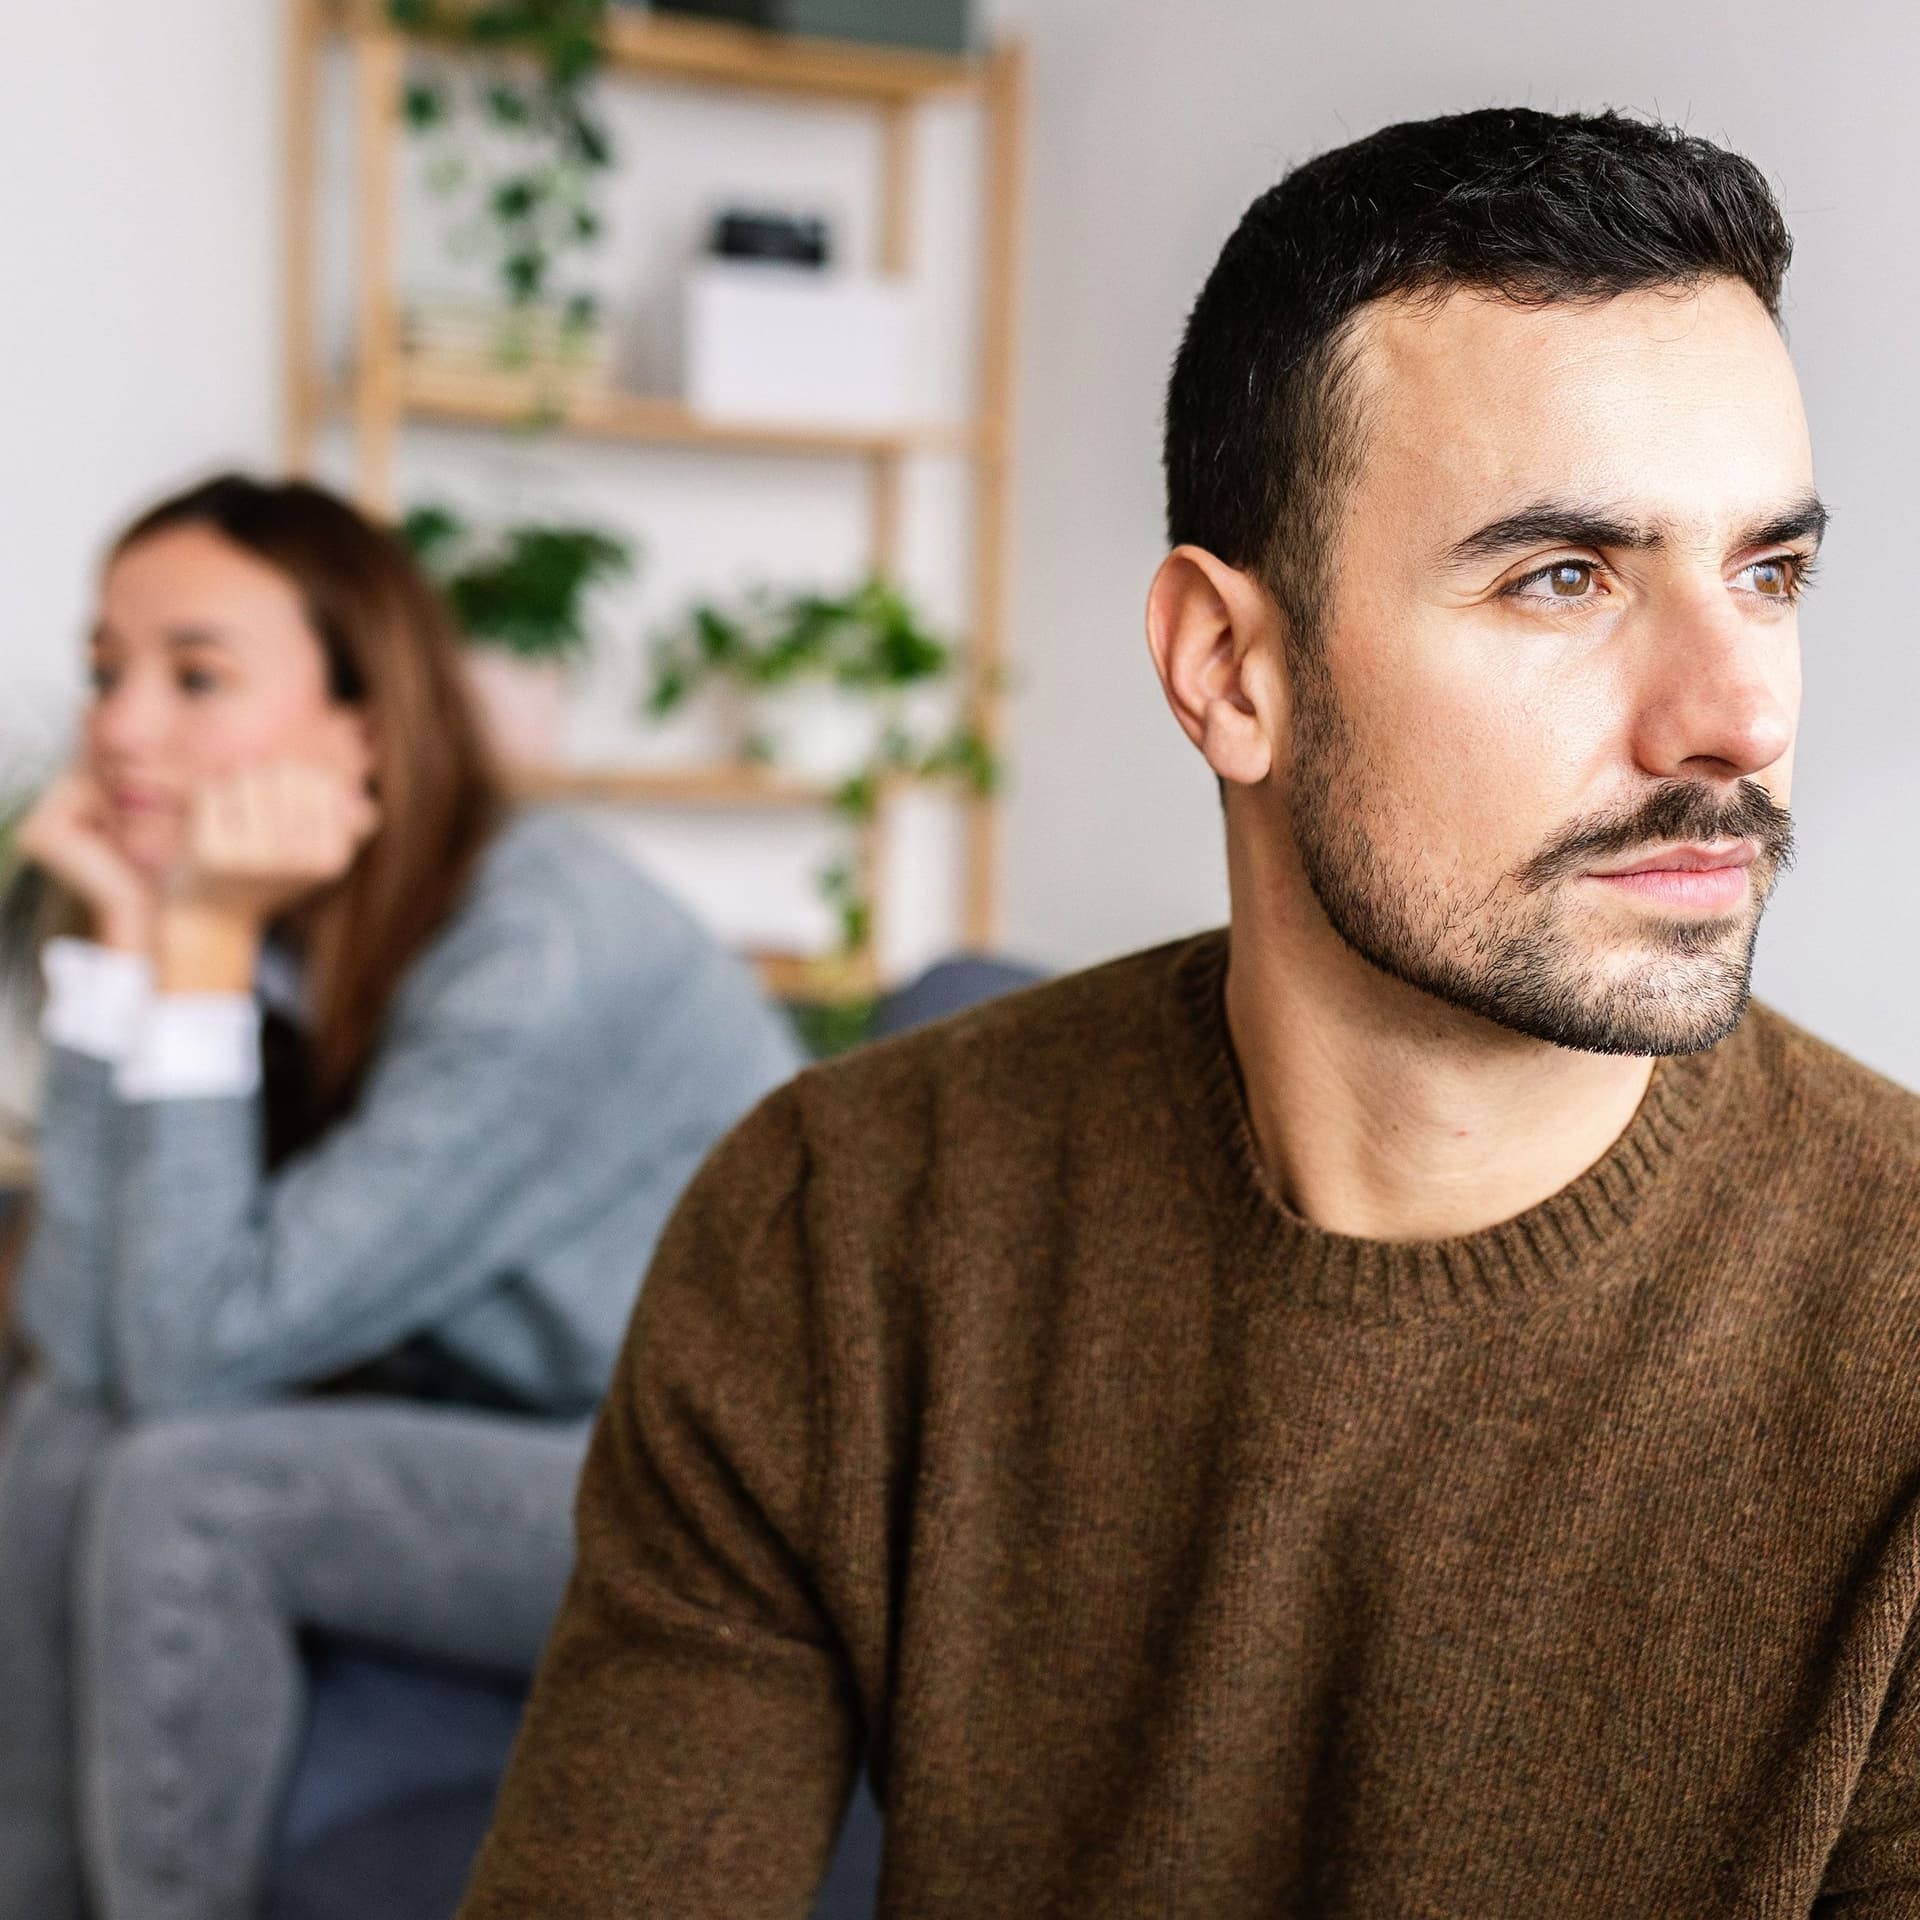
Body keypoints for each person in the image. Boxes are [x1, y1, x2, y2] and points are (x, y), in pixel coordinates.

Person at [460, 105, 1920, 1918]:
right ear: (1231, 670)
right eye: (1565, 577)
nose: (1739, 716)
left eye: (1770, 573)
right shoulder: (838, 1228)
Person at [0, 472, 805, 1920]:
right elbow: (90, 1334)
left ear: (363, 720)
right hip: (506, 1417)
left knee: (187, 1486)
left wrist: (184, 937)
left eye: (195, 675)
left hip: (717, 1495)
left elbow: (186, 1361)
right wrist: (121, 946)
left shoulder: (538, 948)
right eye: (107, 669)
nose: (118, 724)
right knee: (66, 1426)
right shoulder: (283, 920)